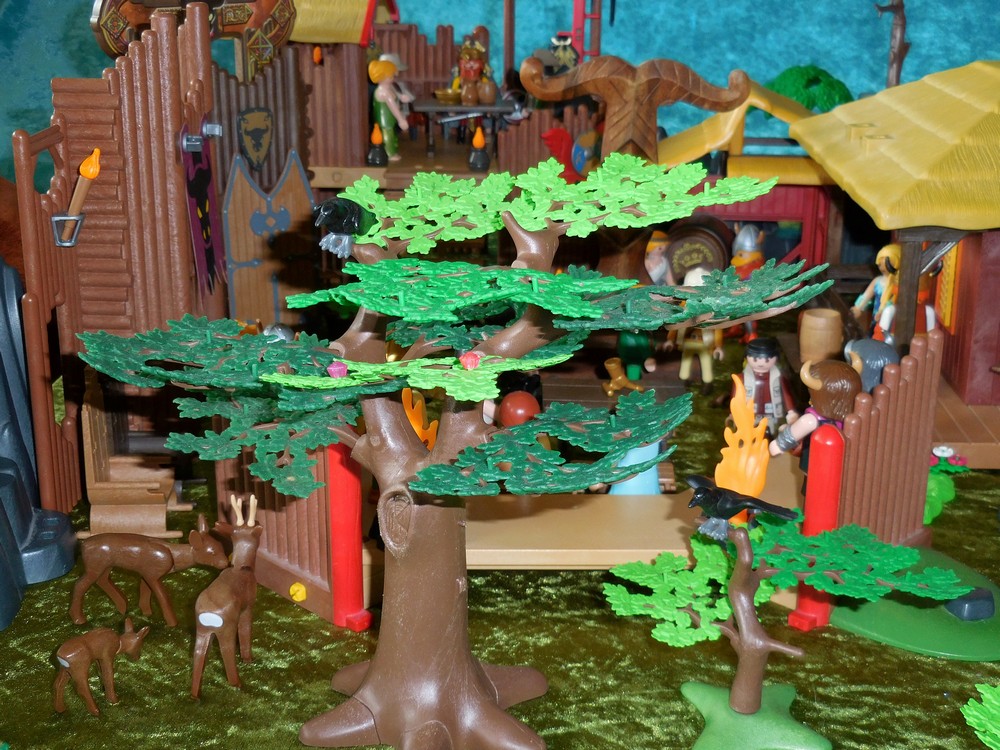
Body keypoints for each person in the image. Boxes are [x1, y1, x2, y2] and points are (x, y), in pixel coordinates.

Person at [734, 336, 798, 437]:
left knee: (771, 433)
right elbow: (735, 397)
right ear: (746, 357)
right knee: (749, 434)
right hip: (750, 414)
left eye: (767, 360)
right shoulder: (742, 378)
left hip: (771, 414)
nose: (761, 364)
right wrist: (733, 412)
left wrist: (791, 411)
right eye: (755, 359)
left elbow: (787, 395)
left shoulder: (779, 377)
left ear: (776, 358)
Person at [368, 58, 410, 161]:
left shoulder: (389, 87)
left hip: (389, 117)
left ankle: (392, 151)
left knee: (392, 134)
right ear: (382, 76)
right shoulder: (383, 92)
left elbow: (396, 95)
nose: (393, 77)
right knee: (387, 135)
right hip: (385, 119)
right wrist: (401, 120)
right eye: (391, 75)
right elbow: (393, 106)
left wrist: (401, 97)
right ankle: (389, 153)